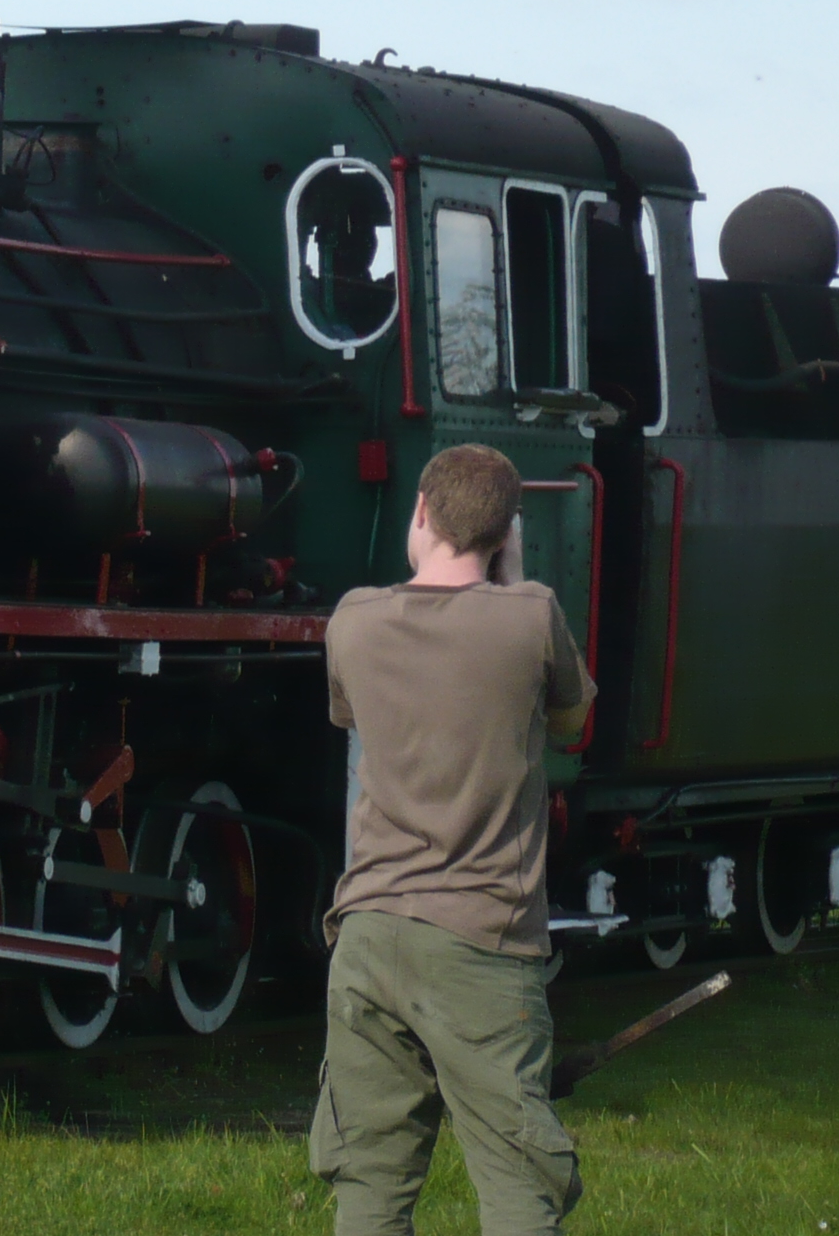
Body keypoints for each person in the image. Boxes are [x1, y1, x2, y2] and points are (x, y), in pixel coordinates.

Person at [308, 443, 596, 1236]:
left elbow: (348, 714)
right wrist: (511, 578)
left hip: (368, 933)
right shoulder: (531, 615)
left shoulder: (354, 619)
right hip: (482, 940)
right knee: (518, 1185)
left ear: (422, 512)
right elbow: (573, 720)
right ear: (506, 534)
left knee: (368, 1186)